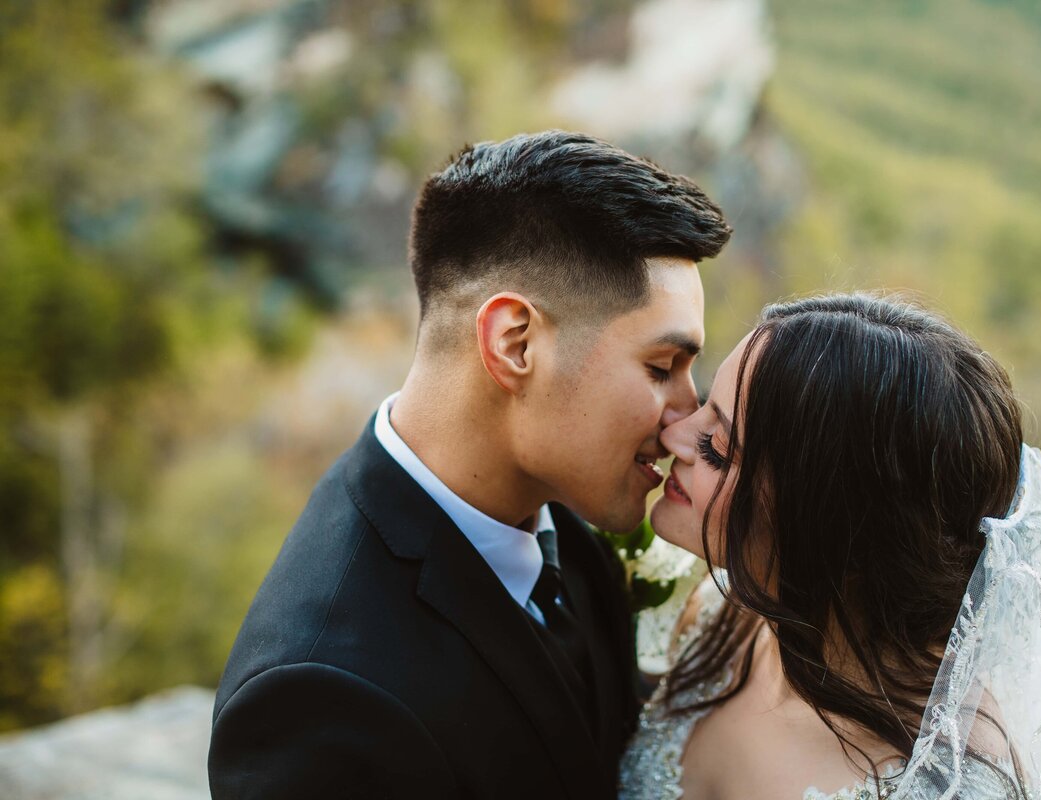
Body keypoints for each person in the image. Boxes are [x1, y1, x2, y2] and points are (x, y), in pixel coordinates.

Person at [208, 131, 731, 799]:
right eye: (662, 368)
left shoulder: (567, 525)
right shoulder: (319, 698)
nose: (687, 417)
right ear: (515, 343)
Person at [620, 294, 1041, 799]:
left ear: (835, 532)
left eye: (719, 449)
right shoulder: (721, 617)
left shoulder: (950, 784)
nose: (675, 435)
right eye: (706, 407)